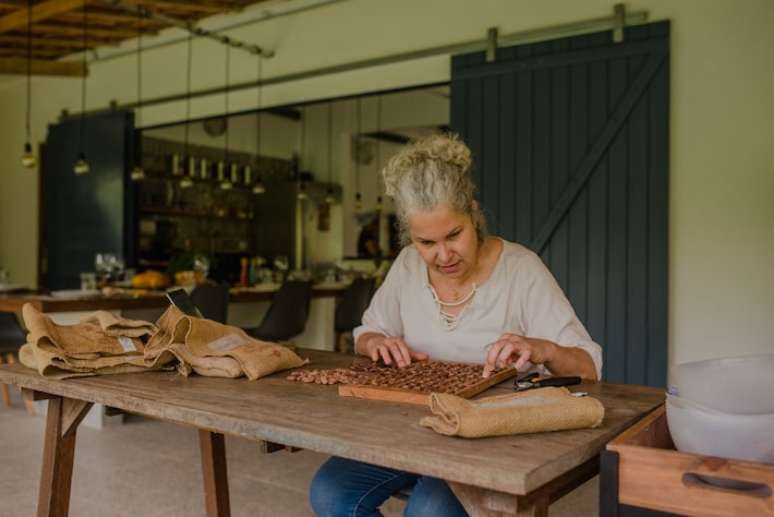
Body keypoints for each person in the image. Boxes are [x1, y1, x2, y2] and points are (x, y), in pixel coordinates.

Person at [309, 134, 602, 517]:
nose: (443, 255)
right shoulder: (408, 265)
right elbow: (366, 332)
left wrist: (543, 349)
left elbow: (589, 368)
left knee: (428, 511)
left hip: (487, 438)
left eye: (454, 235)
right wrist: (378, 342)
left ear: (474, 215)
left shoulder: (521, 269)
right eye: (426, 242)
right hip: (416, 429)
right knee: (330, 492)